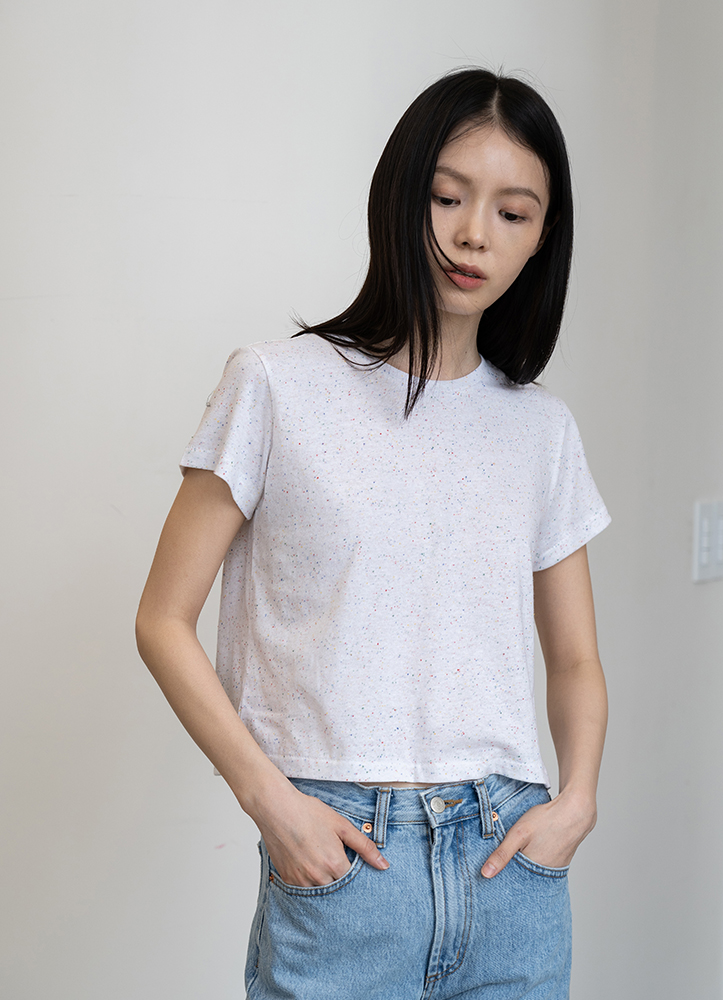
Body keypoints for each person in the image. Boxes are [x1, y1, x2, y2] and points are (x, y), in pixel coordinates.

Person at [136, 67, 610, 1000]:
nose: (474, 234)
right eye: (447, 197)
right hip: (347, 864)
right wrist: (272, 804)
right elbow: (161, 619)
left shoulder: (540, 429)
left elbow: (575, 659)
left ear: (541, 237)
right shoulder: (277, 385)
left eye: (513, 212)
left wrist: (579, 800)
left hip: (509, 868)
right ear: (399, 195)